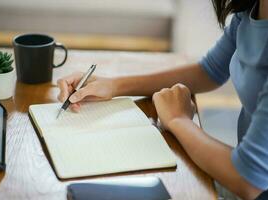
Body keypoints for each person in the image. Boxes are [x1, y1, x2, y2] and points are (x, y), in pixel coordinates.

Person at [57, 0, 268, 199]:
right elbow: (210, 70)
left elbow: (249, 180)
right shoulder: (251, 8)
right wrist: (114, 85)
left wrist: (178, 120)